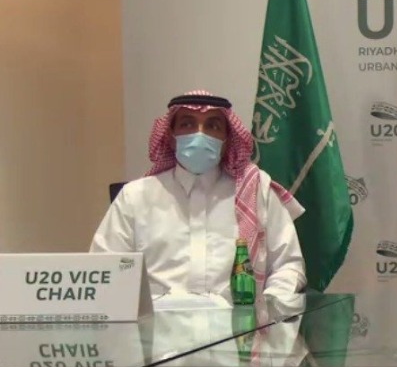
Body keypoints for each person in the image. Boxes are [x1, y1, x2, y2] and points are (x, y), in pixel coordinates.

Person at [91, 90, 307, 310]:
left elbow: (288, 266)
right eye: (187, 124)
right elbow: (104, 271)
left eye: (213, 126)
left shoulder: (256, 190)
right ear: (171, 137)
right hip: (158, 326)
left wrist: (265, 308)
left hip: (237, 326)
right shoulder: (135, 196)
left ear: (227, 140)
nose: (199, 134)